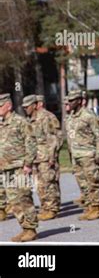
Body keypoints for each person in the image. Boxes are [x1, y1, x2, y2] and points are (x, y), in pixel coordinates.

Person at [0, 93, 38, 241]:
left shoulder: (20, 122)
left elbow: (31, 143)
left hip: (20, 167)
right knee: (14, 201)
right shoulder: (2, 124)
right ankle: (24, 227)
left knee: (24, 198)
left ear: (8, 106)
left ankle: (31, 229)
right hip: (6, 168)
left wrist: (28, 164)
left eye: (0, 106)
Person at [67, 89, 99, 220]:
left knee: (93, 182)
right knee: (83, 183)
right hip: (76, 155)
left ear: (79, 101)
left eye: (72, 100)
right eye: (69, 100)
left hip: (88, 154)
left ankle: (97, 207)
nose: (69, 103)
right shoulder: (71, 116)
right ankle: (89, 206)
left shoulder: (88, 115)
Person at [22, 95, 62, 220]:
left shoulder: (46, 117)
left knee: (48, 182)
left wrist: (52, 157)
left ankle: (52, 208)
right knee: (39, 185)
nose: (25, 109)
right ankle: (45, 207)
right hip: (35, 157)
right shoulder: (30, 119)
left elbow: (54, 138)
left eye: (27, 106)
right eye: (24, 107)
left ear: (34, 105)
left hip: (45, 157)